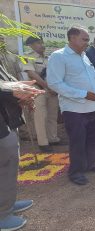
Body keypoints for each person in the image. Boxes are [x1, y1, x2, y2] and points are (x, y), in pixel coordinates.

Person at [47, 26, 95, 185]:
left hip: (92, 107)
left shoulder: (85, 57)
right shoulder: (59, 56)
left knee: (93, 139)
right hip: (74, 109)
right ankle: (76, 172)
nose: (87, 43)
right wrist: (83, 94)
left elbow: (91, 82)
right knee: (78, 141)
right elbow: (54, 83)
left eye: (88, 40)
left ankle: (90, 164)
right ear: (72, 38)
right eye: (84, 39)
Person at [1, 62, 43, 230]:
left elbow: (5, 81)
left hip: (7, 118)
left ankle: (7, 203)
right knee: (4, 166)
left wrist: (21, 90)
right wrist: (13, 91)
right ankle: (2, 214)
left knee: (10, 164)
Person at [20, 36, 62, 153]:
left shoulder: (49, 58)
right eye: (38, 43)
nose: (42, 45)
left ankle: (53, 138)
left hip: (52, 91)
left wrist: (54, 88)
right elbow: (32, 74)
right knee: (40, 116)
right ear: (31, 45)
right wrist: (46, 86)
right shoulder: (26, 57)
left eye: (42, 42)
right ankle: (43, 143)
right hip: (38, 89)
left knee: (52, 115)